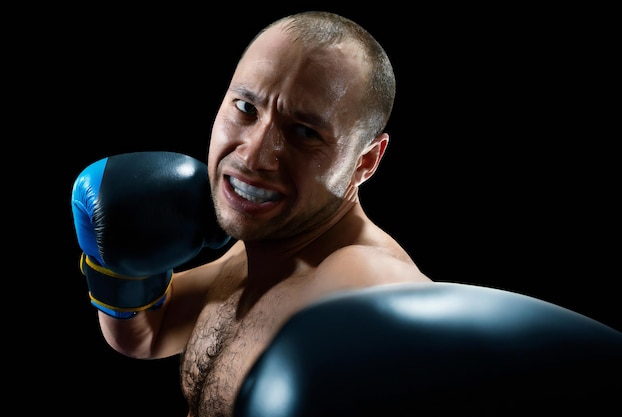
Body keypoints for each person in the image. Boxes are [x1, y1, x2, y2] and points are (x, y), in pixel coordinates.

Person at [71, 10, 431, 417]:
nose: (253, 155)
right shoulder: (259, 251)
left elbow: (403, 313)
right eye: (246, 107)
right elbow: (147, 335)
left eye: (304, 132)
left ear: (366, 161)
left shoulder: (361, 275)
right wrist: (114, 267)